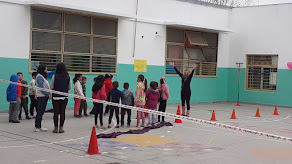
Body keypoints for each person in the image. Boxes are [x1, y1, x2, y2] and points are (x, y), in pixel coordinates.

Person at [50, 63, 71, 133]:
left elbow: (51, 87)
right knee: (62, 112)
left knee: (56, 112)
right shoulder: (68, 76)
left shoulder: (54, 76)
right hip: (64, 96)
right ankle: (61, 128)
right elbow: (69, 87)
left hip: (55, 97)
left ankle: (55, 128)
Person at [34, 65, 50, 132]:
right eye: (46, 69)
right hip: (41, 96)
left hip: (45, 96)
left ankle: (39, 126)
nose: (46, 70)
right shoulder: (39, 76)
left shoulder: (43, 77)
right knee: (40, 111)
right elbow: (41, 87)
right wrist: (47, 93)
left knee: (42, 111)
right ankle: (37, 126)